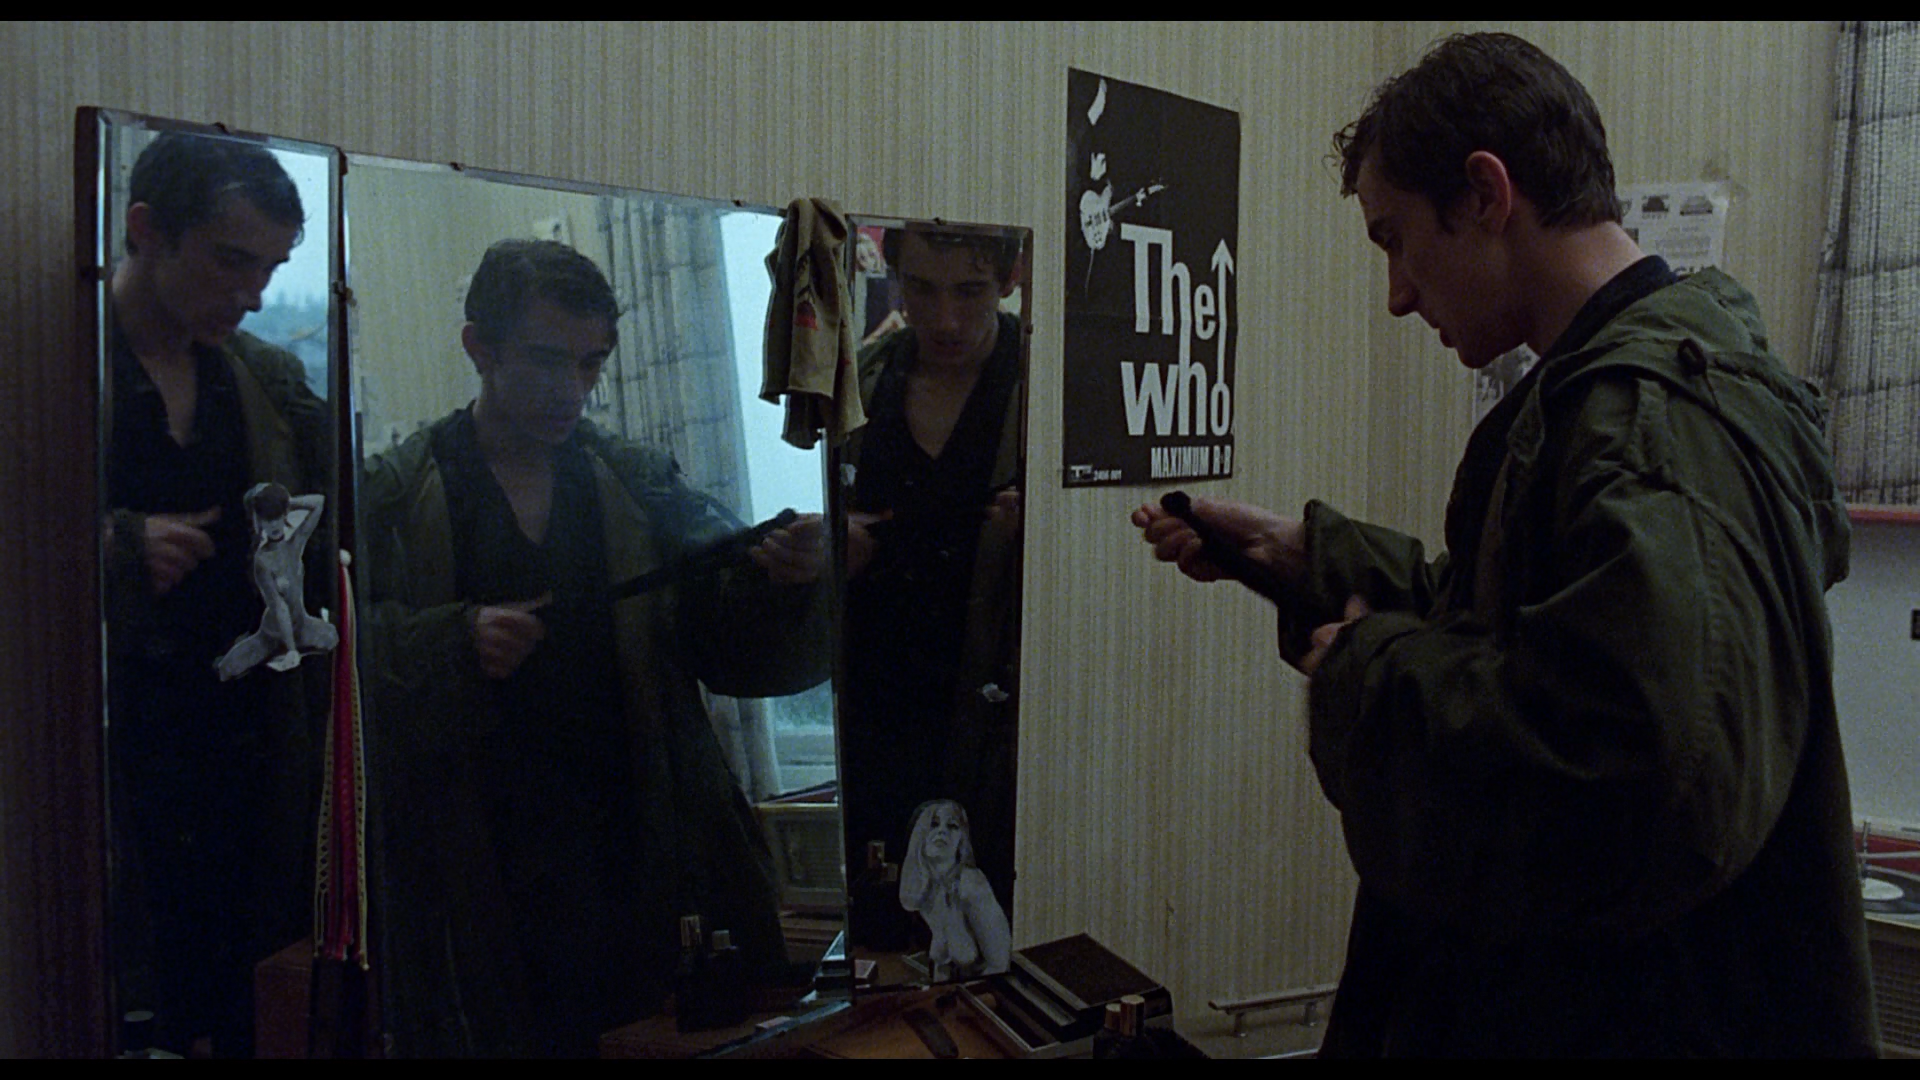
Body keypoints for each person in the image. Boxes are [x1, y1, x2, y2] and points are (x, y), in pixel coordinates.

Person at [1132, 32, 1876, 1057]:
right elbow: (1544, 630)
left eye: (1397, 240)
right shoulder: (1640, 391)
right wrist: (1311, 558)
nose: (1398, 293)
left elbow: (1635, 771)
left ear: (1486, 194)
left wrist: (1371, 673)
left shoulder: (1647, 428)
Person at [359, 238, 831, 1057]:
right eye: (547, 360)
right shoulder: (398, 499)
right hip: (477, 882)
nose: (572, 390)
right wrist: (450, 643)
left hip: (638, 863)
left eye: (591, 363)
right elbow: (330, 666)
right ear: (479, 347)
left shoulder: (637, 484)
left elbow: (733, 650)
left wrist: (787, 583)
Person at [103, 130, 331, 1058]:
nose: (254, 294)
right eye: (232, 260)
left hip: (246, 764)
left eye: (270, 268)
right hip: (103, 765)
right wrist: (115, 547)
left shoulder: (263, 381)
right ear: (146, 230)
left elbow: (358, 521)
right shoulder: (61, 359)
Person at [839, 226, 1026, 932]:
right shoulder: (863, 380)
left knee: (989, 927)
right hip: (878, 700)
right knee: (885, 919)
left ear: (1008, 281)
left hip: (997, 709)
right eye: (921, 288)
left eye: (969, 291)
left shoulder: (1047, 384)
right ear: (893, 276)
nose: (945, 319)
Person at [899, 799, 1011, 981]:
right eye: (933, 824)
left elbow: (1000, 964)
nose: (942, 831)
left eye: (952, 826)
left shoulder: (971, 885)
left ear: (961, 840)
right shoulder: (926, 887)